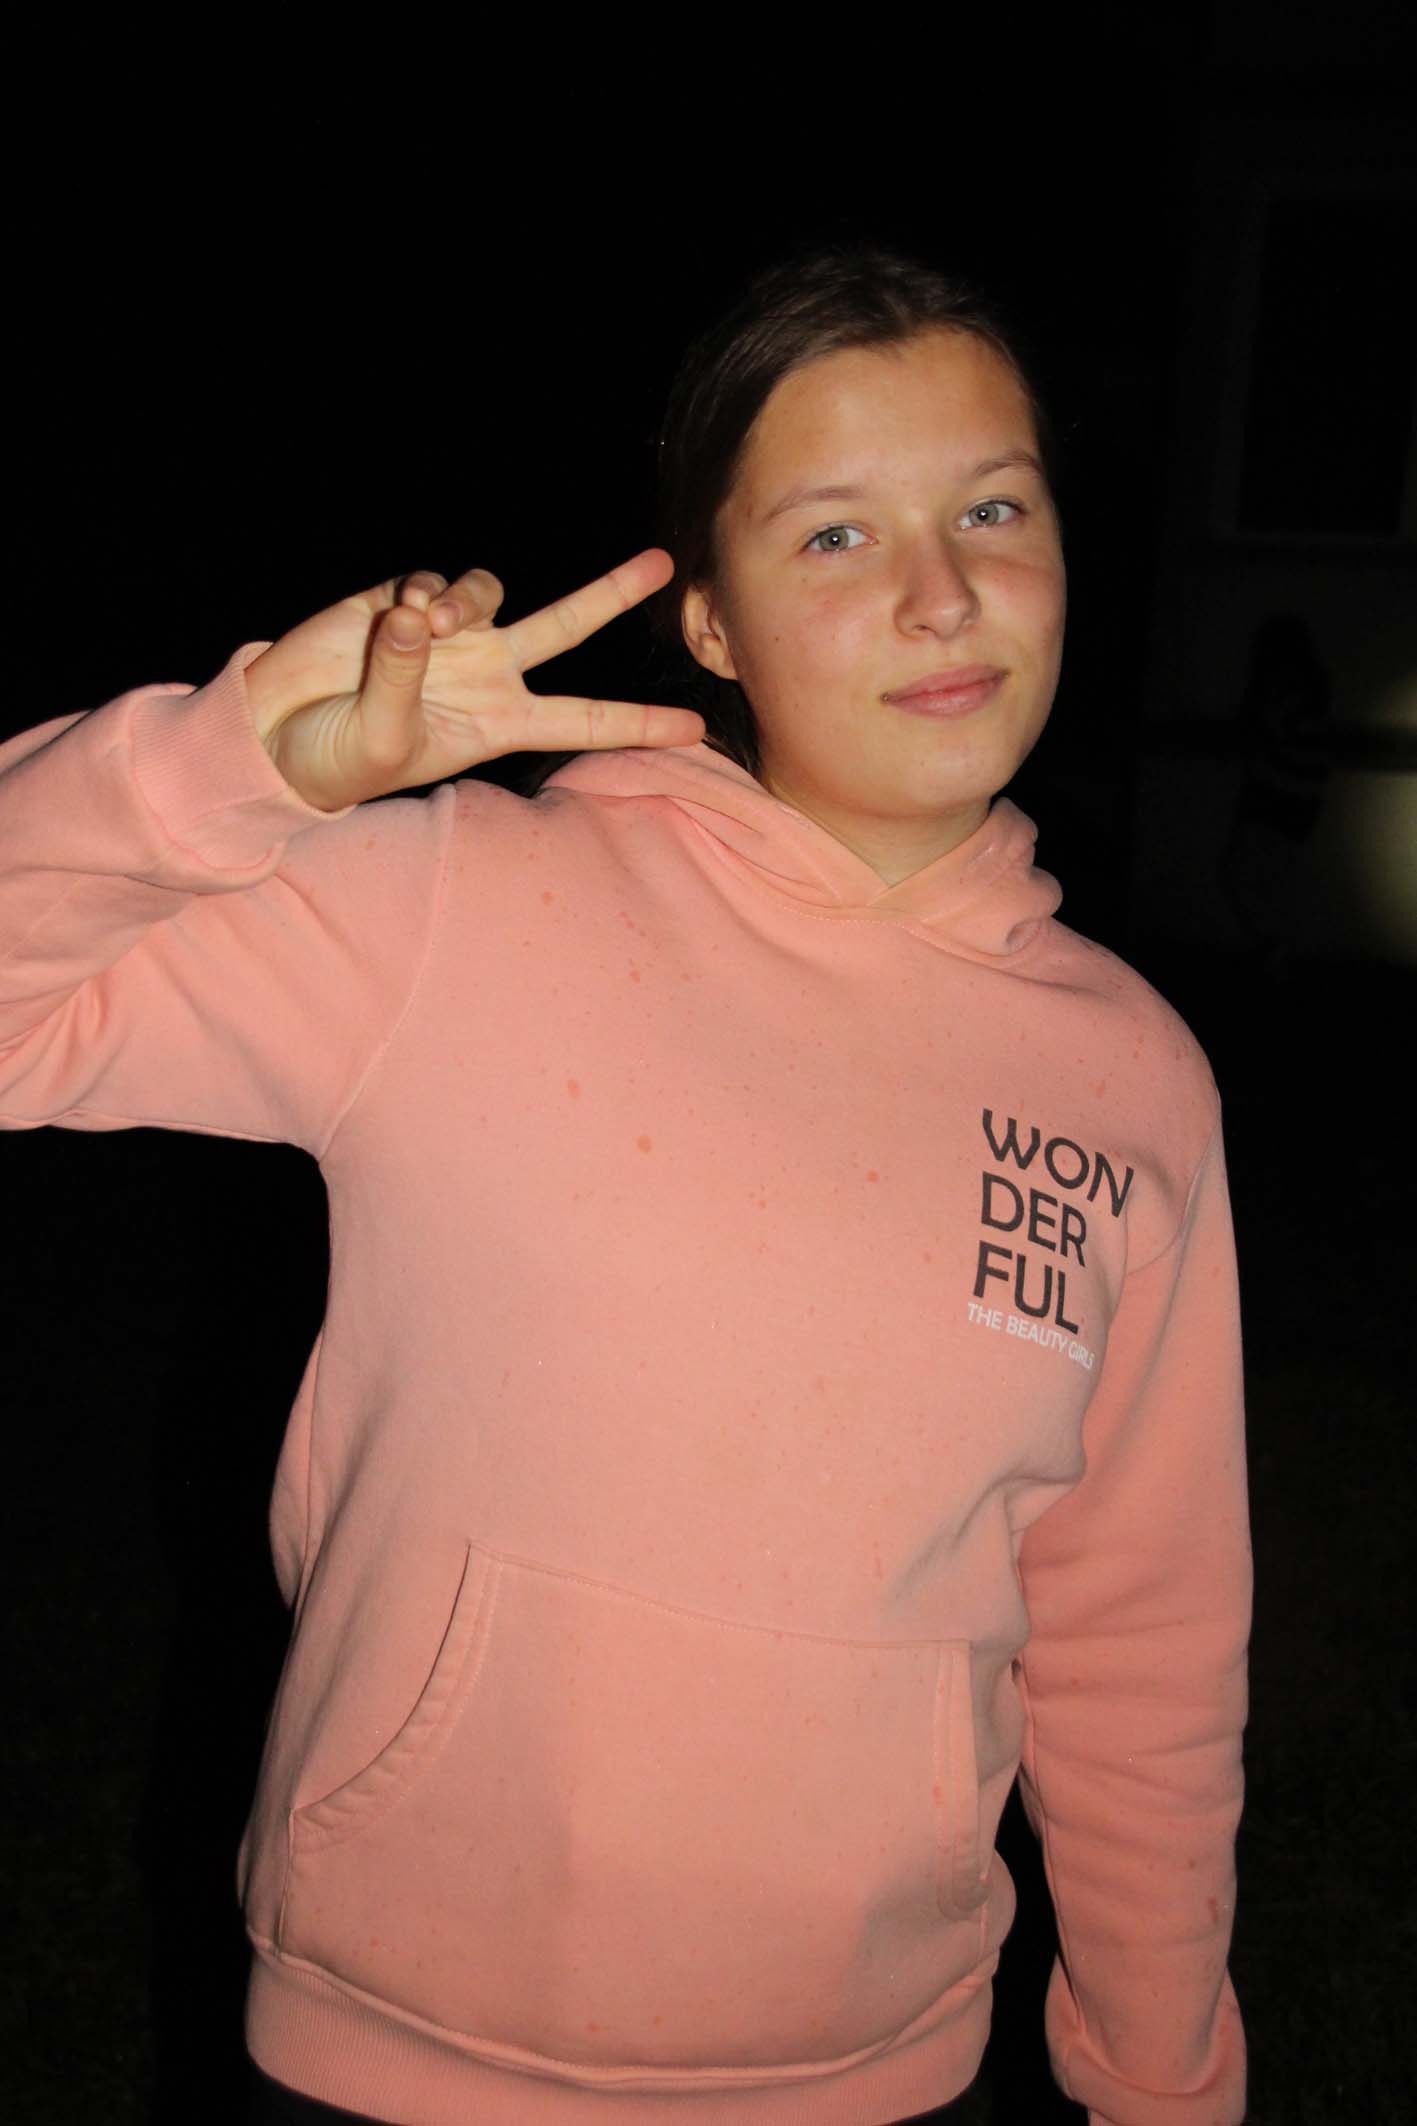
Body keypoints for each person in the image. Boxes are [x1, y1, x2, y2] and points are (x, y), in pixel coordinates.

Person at [0, 246, 1250, 2126]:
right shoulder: (460, 908)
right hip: (383, 2060)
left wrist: (1163, 2076)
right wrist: (249, 759)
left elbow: (1140, 1642)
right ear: (715, 623)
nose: (940, 594)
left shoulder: (1132, 1082)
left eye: (992, 509)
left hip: (873, 2075)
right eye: (836, 535)